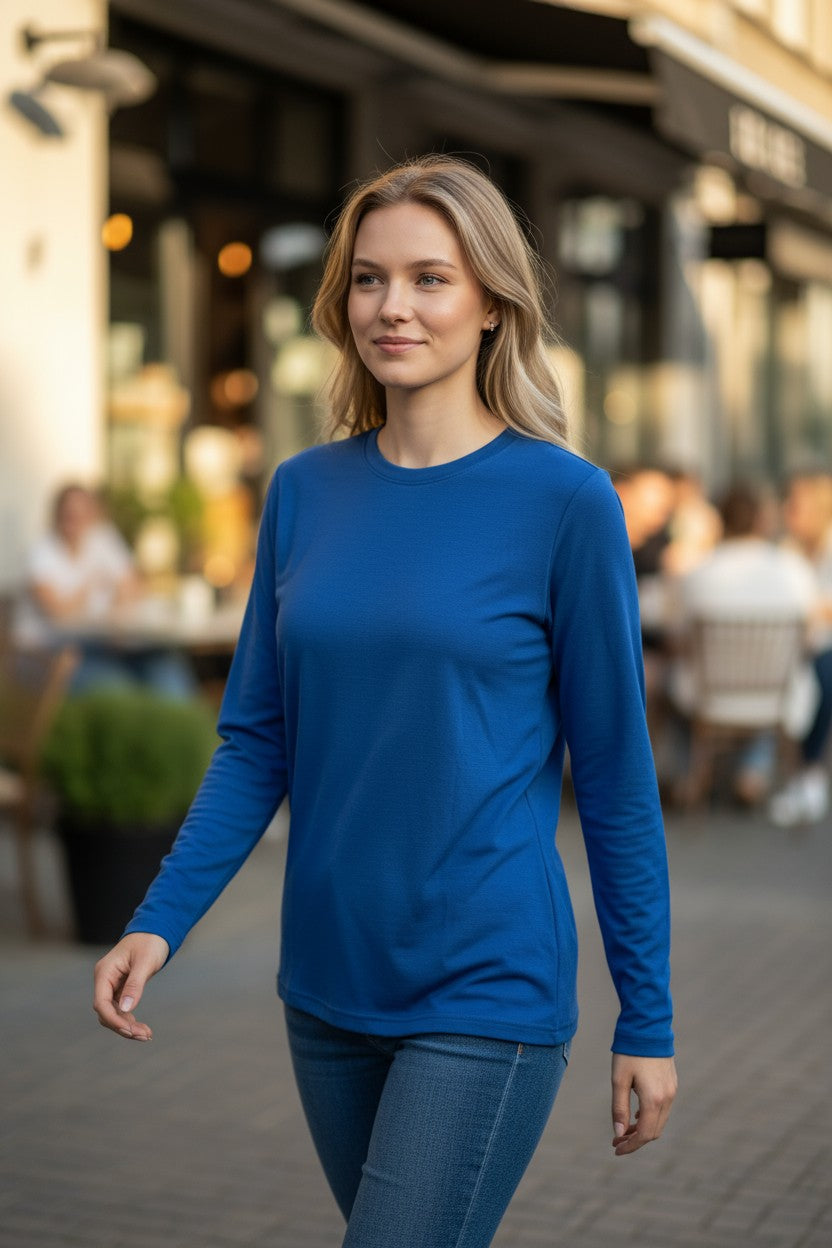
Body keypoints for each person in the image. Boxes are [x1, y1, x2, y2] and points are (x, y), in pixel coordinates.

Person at [93, 155, 677, 1247]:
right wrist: (159, 922)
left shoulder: (565, 503)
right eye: (367, 280)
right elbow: (256, 745)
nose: (391, 307)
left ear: (494, 305)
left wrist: (645, 1017)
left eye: (428, 279)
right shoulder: (303, 491)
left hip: (484, 981)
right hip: (325, 981)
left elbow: (613, 780)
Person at [667, 482, 818, 805]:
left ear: (720, 520)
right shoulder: (795, 571)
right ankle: (753, 772)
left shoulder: (697, 574)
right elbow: (811, 640)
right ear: (763, 521)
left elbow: (678, 641)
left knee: (670, 681)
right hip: (777, 699)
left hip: (708, 700)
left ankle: (690, 774)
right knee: (773, 676)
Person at [15, 483, 196, 699]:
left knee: (166, 667)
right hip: (54, 654)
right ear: (56, 515)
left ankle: (184, 729)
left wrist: (115, 594)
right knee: (120, 685)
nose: (75, 519)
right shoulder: (42, 552)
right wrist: (94, 587)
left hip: (105, 643)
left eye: (81, 513)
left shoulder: (101, 540)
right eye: (68, 513)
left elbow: (134, 585)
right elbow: (58, 611)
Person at [768, 470, 832, 826]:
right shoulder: (784, 549)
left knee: (825, 671)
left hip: (822, 647)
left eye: (797, 505)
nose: (788, 511)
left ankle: (809, 770)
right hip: (793, 646)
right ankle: (791, 773)